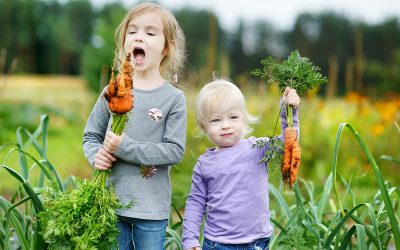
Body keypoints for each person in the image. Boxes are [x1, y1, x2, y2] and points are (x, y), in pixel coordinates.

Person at [82, 2, 187, 249]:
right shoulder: (112, 90)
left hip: (151, 211)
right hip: (110, 204)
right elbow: (91, 136)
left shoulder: (172, 98)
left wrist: (124, 147)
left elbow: (174, 151)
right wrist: (95, 155)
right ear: (124, 43)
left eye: (150, 33)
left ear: (166, 47)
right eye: (133, 31)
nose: (139, 36)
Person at [182, 78, 300, 250]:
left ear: (244, 119)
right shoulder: (204, 164)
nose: (226, 125)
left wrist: (289, 113)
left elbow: (287, 144)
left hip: (257, 242)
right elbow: (195, 203)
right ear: (203, 126)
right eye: (216, 120)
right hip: (217, 244)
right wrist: (190, 239)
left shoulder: (257, 148)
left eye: (233, 117)